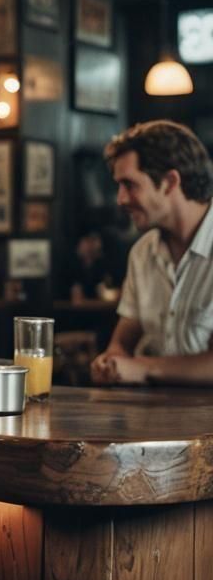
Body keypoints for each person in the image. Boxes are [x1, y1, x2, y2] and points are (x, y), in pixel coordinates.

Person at [90, 120, 213, 386]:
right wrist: (112, 360)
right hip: (150, 421)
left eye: (130, 185)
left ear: (170, 182)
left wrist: (144, 368)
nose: (120, 199)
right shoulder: (142, 252)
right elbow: (122, 340)